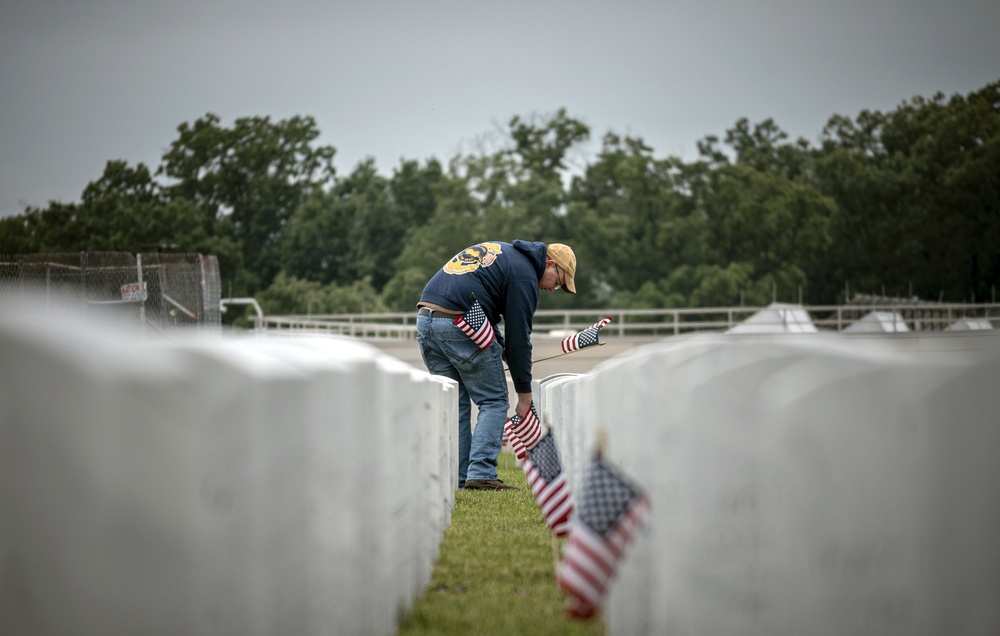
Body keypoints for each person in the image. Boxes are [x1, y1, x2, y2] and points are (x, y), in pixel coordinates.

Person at [416, 240, 576, 490]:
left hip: (426, 319)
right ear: (550, 263)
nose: (553, 289)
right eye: (558, 281)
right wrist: (524, 396)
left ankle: (462, 477)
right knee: (494, 400)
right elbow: (519, 337)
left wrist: (507, 353)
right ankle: (480, 472)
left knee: (457, 403)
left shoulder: (508, 256)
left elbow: (488, 313)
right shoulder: (524, 277)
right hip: (460, 323)